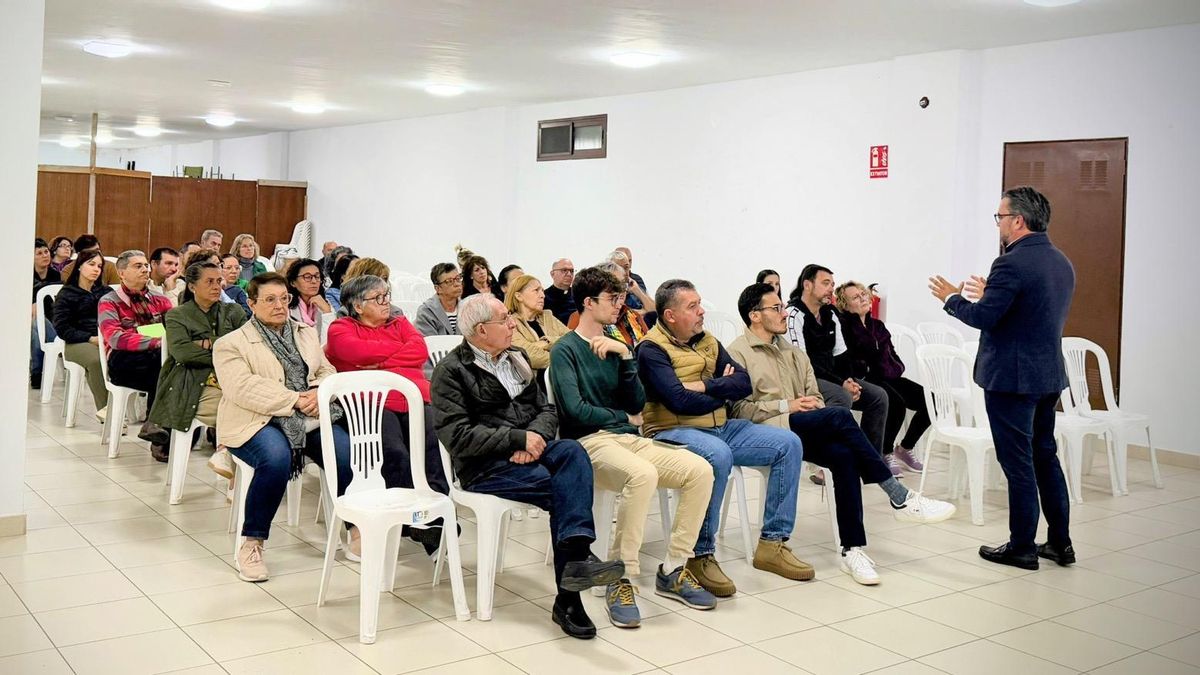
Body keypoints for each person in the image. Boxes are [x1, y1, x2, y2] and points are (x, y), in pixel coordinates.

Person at [728, 283, 955, 585]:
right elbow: (739, 410)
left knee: (845, 456)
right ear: (755, 316)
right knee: (839, 414)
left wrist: (811, 405)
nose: (784, 313)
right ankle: (899, 496)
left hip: (803, 426)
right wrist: (788, 405)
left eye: (782, 307)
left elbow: (814, 393)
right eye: (776, 308)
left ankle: (853, 551)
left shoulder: (794, 353)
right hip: (769, 431)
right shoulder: (736, 354)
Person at [431, 293, 624, 638]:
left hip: (530, 448)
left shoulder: (516, 357)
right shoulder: (451, 372)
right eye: (504, 320)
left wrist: (532, 437)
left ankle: (576, 564)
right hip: (483, 465)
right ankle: (572, 591)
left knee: (572, 453)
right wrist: (516, 441)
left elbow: (546, 410)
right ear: (479, 331)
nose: (512, 326)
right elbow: (457, 436)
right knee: (564, 488)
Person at [551, 267, 716, 627]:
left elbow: (638, 402)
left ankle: (673, 567)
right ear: (588, 303)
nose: (620, 305)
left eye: (622, 297)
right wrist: (621, 416)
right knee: (642, 475)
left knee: (701, 469)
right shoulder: (564, 350)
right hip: (588, 443)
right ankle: (618, 577)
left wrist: (625, 354)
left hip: (627, 437)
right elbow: (576, 412)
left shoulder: (615, 342)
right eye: (612, 299)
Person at [929, 186, 1076, 571]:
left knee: (1018, 464)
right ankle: (1060, 543)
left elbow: (984, 319)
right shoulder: (1060, 261)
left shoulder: (1010, 263)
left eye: (1000, 217)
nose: (998, 224)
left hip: (1012, 379)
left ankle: (1022, 547)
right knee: (1045, 457)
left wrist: (951, 298)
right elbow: (1027, 309)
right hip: (1047, 375)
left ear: (1017, 220)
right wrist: (991, 294)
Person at [637, 279, 808, 598]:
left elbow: (742, 383)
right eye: (692, 306)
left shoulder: (707, 340)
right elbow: (677, 402)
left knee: (788, 443)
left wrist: (703, 387)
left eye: (699, 303)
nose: (702, 311)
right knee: (717, 454)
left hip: (720, 426)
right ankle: (699, 555)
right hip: (672, 431)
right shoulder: (651, 349)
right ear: (670, 315)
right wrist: (719, 388)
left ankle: (772, 544)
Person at [214, 273, 357, 582]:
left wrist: (318, 394)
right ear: (251, 304)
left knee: (345, 452)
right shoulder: (231, 344)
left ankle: (355, 529)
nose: (279, 306)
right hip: (254, 419)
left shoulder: (305, 332)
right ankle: (252, 543)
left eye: (284, 299)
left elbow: (325, 369)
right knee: (275, 458)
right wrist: (295, 399)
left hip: (307, 414)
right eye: (269, 300)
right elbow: (243, 388)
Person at [324, 274, 450, 555]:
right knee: (395, 451)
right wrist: (393, 354)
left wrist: (376, 362)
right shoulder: (340, 328)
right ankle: (408, 516)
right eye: (378, 298)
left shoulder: (399, 322)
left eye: (387, 296)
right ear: (357, 306)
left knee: (434, 448)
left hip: (416, 398)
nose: (386, 303)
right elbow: (353, 350)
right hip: (372, 404)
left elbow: (418, 351)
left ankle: (433, 518)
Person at [785, 264, 895, 476]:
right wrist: (841, 384)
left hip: (832, 378)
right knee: (841, 396)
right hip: (804, 380)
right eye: (825, 283)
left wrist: (849, 379)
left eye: (832, 284)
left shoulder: (831, 313)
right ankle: (827, 462)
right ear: (807, 285)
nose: (830, 289)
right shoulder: (794, 314)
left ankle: (867, 465)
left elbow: (842, 356)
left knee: (878, 397)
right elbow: (802, 362)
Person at [148, 262, 247, 466]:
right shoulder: (178, 314)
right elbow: (182, 352)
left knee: (251, 397)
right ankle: (229, 454)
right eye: (209, 281)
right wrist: (224, 349)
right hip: (191, 378)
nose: (216, 286)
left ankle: (232, 454)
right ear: (192, 286)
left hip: (232, 376)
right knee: (238, 402)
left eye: (219, 281)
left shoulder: (233, 311)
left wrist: (207, 343)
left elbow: (246, 345)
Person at [836, 281, 929, 471]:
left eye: (863, 294)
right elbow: (852, 362)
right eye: (856, 297)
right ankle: (885, 452)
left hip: (887, 376)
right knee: (896, 403)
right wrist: (871, 368)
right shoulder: (845, 327)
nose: (863, 298)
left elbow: (892, 355)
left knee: (930, 401)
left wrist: (896, 367)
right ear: (845, 305)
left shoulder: (877, 325)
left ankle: (904, 448)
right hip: (865, 380)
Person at [98, 250, 174, 460]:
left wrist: (143, 335)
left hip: (155, 361)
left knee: (175, 367)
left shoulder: (160, 300)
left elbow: (174, 331)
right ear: (121, 273)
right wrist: (158, 340)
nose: (145, 269)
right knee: (164, 365)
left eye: (145, 265)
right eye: (137, 266)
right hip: (123, 362)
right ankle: (157, 426)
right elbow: (116, 338)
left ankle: (159, 428)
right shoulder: (109, 301)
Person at [52, 250, 112, 418]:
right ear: (79, 266)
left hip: (105, 340)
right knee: (96, 360)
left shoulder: (105, 292)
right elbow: (62, 328)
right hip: (77, 343)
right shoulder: (67, 294)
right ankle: (107, 412)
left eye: (99, 266)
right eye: (91, 264)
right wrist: (89, 338)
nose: (96, 269)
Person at [567, 261, 649, 349]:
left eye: (623, 284)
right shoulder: (582, 319)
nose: (620, 290)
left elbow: (649, 346)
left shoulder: (632, 315)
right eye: (613, 286)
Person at [506, 274, 568, 374]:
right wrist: (566, 359)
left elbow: (572, 340)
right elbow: (527, 355)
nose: (543, 295)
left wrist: (546, 342)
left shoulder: (548, 316)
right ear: (519, 296)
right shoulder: (510, 323)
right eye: (536, 290)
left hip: (563, 375)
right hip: (534, 384)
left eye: (542, 291)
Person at [31, 238, 62, 389]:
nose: (45, 255)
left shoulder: (55, 276)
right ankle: (37, 372)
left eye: (46, 252)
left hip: (52, 318)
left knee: (39, 325)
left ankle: (36, 373)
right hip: (29, 319)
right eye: (39, 253)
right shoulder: (26, 276)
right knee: (37, 324)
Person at [415, 263, 462, 336]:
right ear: (438, 289)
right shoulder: (426, 312)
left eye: (458, 279)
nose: (457, 284)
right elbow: (431, 343)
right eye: (449, 281)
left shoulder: (469, 306)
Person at [285, 258, 333, 332]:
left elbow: (333, 337)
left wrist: (327, 312)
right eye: (307, 277)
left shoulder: (326, 304)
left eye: (317, 276)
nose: (314, 281)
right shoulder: (286, 307)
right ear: (293, 282)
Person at [610, 248, 655, 316]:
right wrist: (643, 311)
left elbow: (653, 310)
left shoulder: (634, 281)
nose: (625, 272)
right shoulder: (606, 286)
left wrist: (637, 291)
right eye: (620, 268)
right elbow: (618, 315)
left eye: (626, 267)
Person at [544, 258, 577, 325]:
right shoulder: (543, 296)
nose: (569, 274)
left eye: (571, 271)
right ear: (552, 274)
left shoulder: (578, 295)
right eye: (564, 270)